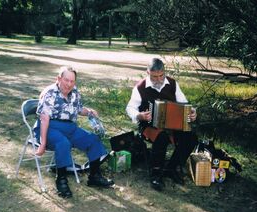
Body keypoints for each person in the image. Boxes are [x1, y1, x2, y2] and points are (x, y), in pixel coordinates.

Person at [34, 66, 114, 198]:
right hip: (49, 128)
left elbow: (77, 109)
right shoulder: (50, 93)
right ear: (58, 79)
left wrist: (88, 111)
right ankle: (61, 180)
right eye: (66, 80)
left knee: (92, 139)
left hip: (69, 128)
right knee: (63, 143)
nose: (69, 84)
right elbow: (44, 119)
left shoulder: (74, 92)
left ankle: (94, 176)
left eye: (72, 81)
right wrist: (42, 143)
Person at [126, 58, 198, 191]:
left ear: (164, 72)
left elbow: (185, 104)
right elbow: (130, 108)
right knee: (162, 137)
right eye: (154, 77)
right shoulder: (140, 87)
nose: (159, 80)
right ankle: (155, 175)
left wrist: (192, 112)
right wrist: (139, 115)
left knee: (191, 138)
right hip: (148, 126)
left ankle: (171, 167)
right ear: (147, 72)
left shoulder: (172, 83)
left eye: (161, 75)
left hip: (172, 124)